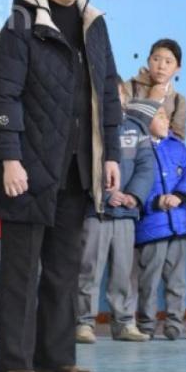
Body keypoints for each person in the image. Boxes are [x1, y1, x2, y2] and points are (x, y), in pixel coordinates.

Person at [0, 0, 122, 372]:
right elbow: (3, 97)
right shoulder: (20, 24)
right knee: (21, 271)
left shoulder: (94, 25)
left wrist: (111, 154)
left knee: (63, 270)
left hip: (77, 169)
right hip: (28, 167)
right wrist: (9, 158)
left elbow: (108, 94)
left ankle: (57, 356)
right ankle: (16, 361)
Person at [75, 99, 155, 343]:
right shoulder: (85, 126)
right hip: (96, 212)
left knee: (123, 272)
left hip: (126, 214)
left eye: (118, 95)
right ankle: (83, 323)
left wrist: (133, 195)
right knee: (89, 269)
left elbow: (146, 166)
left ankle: (124, 323)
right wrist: (106, 194)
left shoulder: (136, 128)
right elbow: (81, 166)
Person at [134, 105, 186, 340]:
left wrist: (180, 196)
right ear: (145, 120)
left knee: (177, 280)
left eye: (167, 117)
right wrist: (154, 201)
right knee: (149, 280)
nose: (166, 122)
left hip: (178, 225)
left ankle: (174, 323)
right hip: (152, 227)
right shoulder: (138, 149)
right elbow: (134, 182)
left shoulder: (178, 147)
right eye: (160, 117)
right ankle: (146, 324)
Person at [124, 39, 186, 141]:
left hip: (160, 150)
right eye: (156, 59)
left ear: (177, 68)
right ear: (148, 61)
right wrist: (152, 100)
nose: (161, 66)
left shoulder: (179, 101)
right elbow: (121, 124)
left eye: (168, 62)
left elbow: (177, 140)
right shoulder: (130, 87)